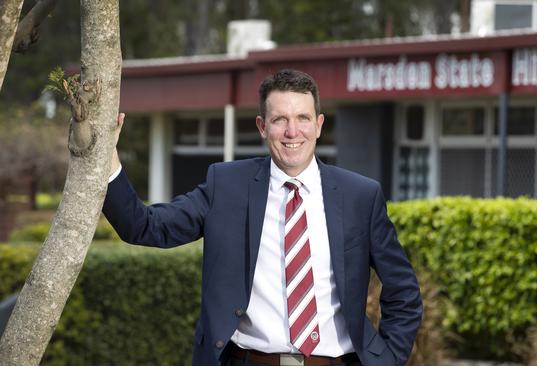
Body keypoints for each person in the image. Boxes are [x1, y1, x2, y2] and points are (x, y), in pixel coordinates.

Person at [103, 69, 422, 366]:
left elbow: (403, 290)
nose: (292, 131)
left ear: (319, 124)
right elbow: (144, 226)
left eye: (302, 118)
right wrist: (105, 158)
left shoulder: (360, 196)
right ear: (262, 126)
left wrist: (387, 359)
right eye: (280, 119)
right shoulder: (226, 186)